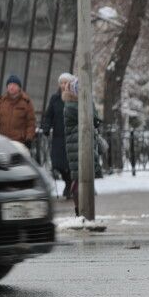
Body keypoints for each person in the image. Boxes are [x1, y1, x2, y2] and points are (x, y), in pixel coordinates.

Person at [63, 79, 103, 216]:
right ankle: (80, 211)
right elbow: (89, 118)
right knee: (79, 178)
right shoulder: (72, 107)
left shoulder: (82, 105)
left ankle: (82, 211)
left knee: (83, 177)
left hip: (81, 144)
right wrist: (89, 104)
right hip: (77, 145)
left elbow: (95, 120)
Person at [41, 73, 75, 198]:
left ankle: (70, 186)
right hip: (58, 136)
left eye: (66, 82)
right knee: (57, 164)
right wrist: (46, 127)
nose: (63, 85)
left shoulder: (74, 97)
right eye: (61, 83)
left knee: (70, 163)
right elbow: (49, 115)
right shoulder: (55, 98)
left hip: (72, 135)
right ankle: (68, 181)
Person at [0, 74, 37, 147]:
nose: (12, 87)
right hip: (2, 141)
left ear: (19, 87)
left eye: (14, 85)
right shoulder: (1, 101)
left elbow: (31, 123)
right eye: (10, 84)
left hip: (19, 142)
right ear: (7, 87)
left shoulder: (26, 102)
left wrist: (29, 138)